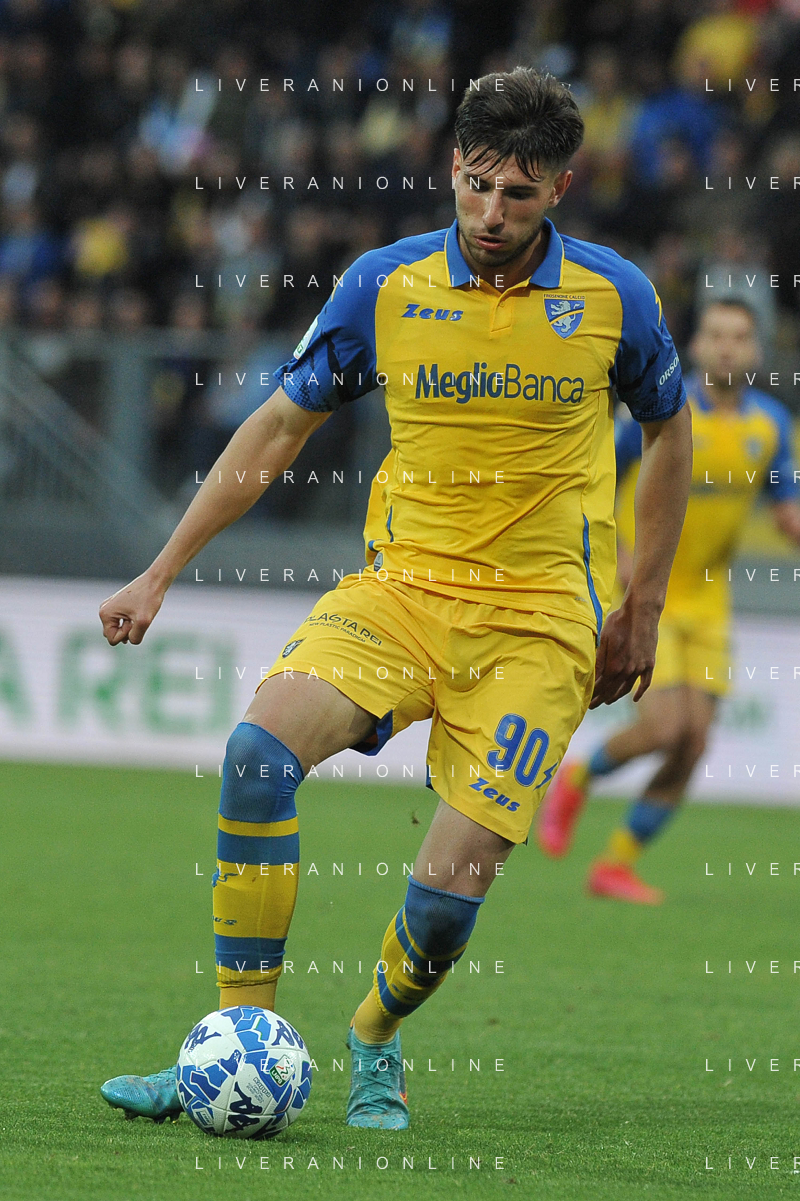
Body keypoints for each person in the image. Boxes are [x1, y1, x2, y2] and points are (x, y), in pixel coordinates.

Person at [97, 67, 692, 1131]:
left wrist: (640, 606)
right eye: (475, 184)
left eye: (517, 193)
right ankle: (235, 1045)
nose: (490, 213)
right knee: (256, 756)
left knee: (445, 903)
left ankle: (373, 1036)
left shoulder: (615, 297)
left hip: (538, 625)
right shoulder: (384, 284)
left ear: (560, 187)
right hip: (400, 592)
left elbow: (670, 431)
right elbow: (279, 427)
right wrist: (161, 568)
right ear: (451, 168)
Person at [538, 298, 800, 904]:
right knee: (663, 728)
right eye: (716, 335)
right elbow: (597, 476)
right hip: (644, 593)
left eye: (739, 336)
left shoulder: (770, 425)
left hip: (708, 601)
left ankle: (615, 864)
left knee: (694, 742)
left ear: (756, 351)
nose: (727, 346)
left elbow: (785, 508)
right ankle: (578, 777)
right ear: (697, 346)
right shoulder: (663, 406)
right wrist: (620, 550)